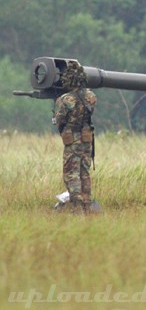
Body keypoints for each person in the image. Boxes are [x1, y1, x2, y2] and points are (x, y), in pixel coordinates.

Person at [53, 61, 97, 214]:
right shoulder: (91, 96)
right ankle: (87, 205)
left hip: (72, 141)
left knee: (71, 174)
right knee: (84, 173)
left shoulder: (66, 99)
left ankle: (76, 207)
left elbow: (59, 120)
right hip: (86, 139)